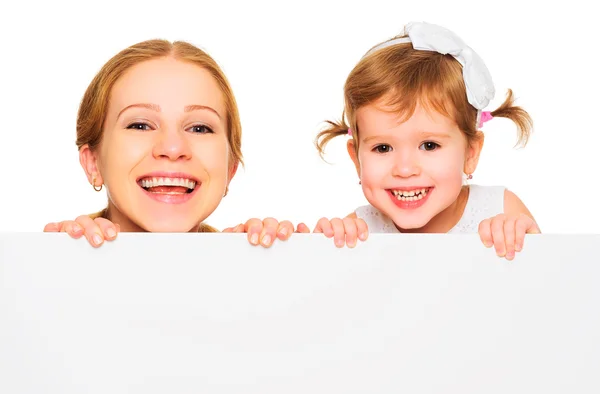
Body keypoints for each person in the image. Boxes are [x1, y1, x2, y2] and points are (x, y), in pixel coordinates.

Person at [311, 22, 540, 260]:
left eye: (429, 145)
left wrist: (526, 243)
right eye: (383, 148)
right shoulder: (354, 234)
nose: (405, 169)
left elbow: (553, 287)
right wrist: (298, 248)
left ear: (471, 153)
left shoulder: (502, 210)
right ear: (356, 159)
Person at [44, 39, 299, 248]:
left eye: (200, 128)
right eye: (140, 125)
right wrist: (67, 261)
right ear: (93, 164)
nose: (173, 148)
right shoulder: (48, 264)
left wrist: (277, 263)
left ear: (230, 169)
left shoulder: (259, 262)